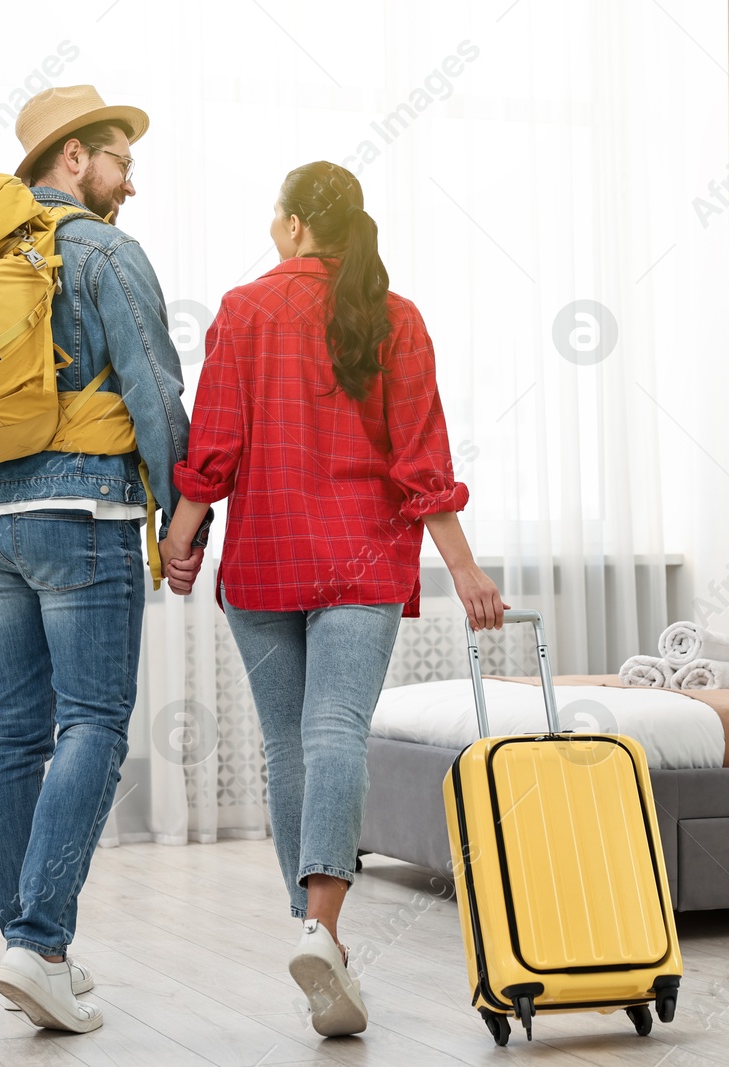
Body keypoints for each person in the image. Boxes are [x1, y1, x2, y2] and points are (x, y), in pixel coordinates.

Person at [160, 161, 504, 1037]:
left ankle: (317, 933)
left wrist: (182, 536)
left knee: (288, 746)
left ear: (291, 226)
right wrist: (463, 567)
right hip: (362, 562)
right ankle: (325, 929)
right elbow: (420, 459)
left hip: (266, 563)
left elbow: (217, 445)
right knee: (335, 732)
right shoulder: (397, 317)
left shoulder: (244, 309)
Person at [0, 85, 210, 1033]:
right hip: (83, 516)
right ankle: (37, 943)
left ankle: (31, 950)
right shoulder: (106, 252)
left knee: (14, 735)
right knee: (94, 726)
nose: (131, 178)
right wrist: (186, 523)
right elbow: (156, 397)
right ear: (72, 158)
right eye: (119, 157)